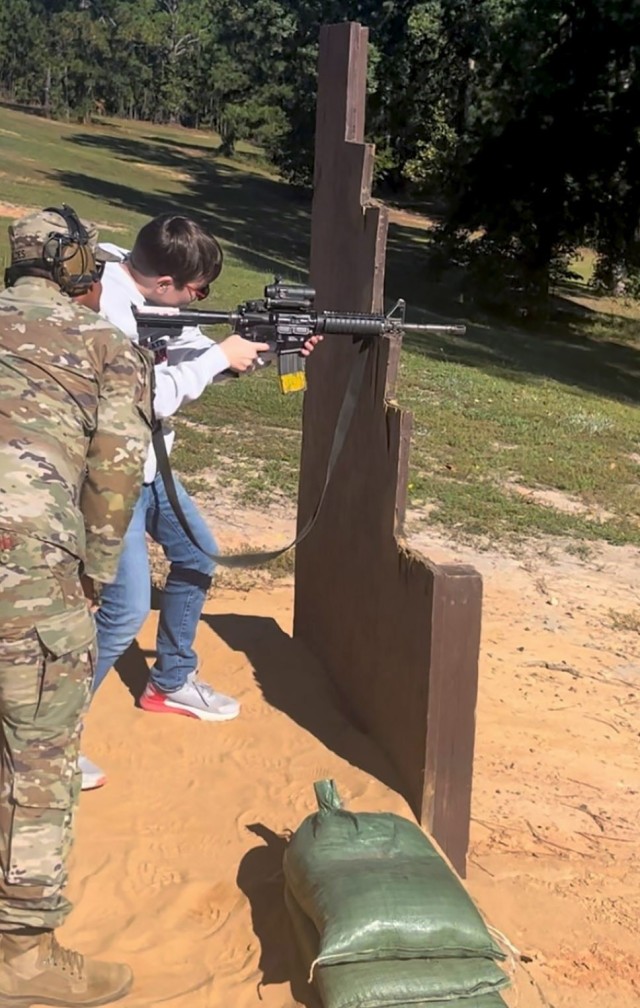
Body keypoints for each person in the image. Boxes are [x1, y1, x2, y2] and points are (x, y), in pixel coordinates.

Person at [80, 214, 319, 790]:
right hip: (109, 475)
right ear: (164, 283)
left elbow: (196, 351)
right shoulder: (102, 310)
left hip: (149, 465)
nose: (201, 299)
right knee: (124, 612)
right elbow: (143, 399)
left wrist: (256, 352)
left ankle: (170, 680)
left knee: (196, 554)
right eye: (197, 291)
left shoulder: (158, 304)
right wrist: (217, 358)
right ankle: (42, 732)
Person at [0, 205, 153, 1005]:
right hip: (28, 571)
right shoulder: (105, 347)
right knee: (37, 758)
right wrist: (91, 577)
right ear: (78, 269)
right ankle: (22, 958)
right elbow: (118, 472)